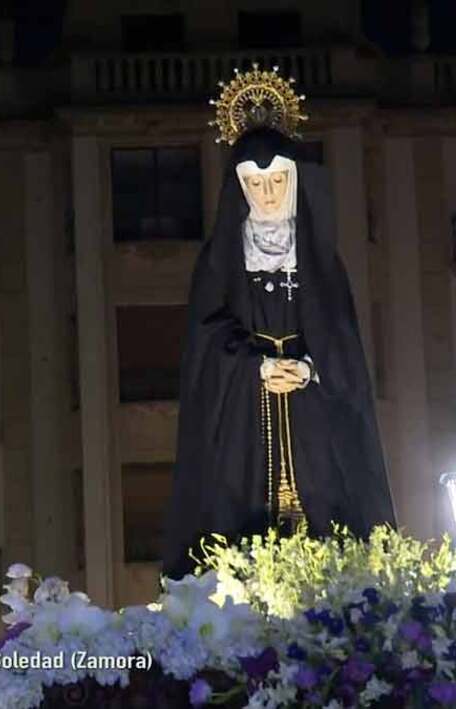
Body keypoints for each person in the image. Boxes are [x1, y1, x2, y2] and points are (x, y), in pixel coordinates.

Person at [161, 72, 395, 578]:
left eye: (277, 182)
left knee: (329, 521)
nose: (267, 195)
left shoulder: (320, 259)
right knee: (238, 525)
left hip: (314, 411)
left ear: (293, 181)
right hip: (244, 415)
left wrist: (311, 369)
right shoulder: (220, 259)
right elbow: (205, 337)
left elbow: (342, 341)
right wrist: (255, 369)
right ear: (240, 187)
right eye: (255, 184)